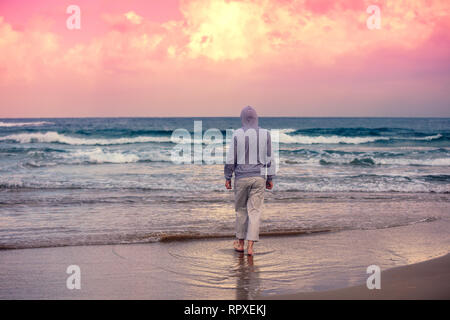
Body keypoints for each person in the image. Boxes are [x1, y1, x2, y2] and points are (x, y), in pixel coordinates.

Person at [224, 106, 274, 256]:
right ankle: (250, 247)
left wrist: (228, 177)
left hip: (241, 177)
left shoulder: (237, 134)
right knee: (254, 212)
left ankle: (240, 243)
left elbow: (230, 158)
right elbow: (269, 158)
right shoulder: (266, 134)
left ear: (242, 119)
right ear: (256, 118)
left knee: (240, 211)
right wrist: (270, 177)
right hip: (258, 178)